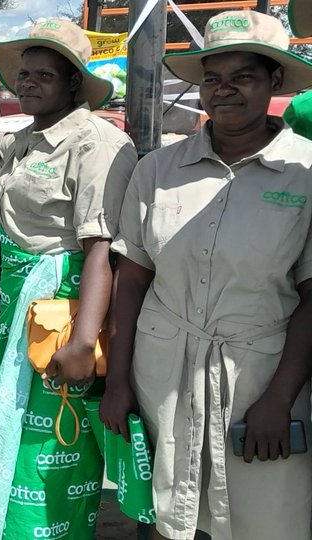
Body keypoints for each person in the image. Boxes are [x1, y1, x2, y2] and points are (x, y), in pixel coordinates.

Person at [105, 11, 312, 539]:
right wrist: (119, 380)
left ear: (274, 82)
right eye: (213, 79)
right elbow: (131, 278)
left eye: (242, 77)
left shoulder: (305, 173)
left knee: (265, 518)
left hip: (258, 381)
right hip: (161, 376)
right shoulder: (159, 169)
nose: (224, 91)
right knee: (166, 515)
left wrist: (279, 399)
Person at [0, 20, 135, 539]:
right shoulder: (25, 138)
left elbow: (102, 251)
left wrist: (83, 341)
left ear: (74, 80)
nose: (27, 83)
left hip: (64, 312)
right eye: (22, 74)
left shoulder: (97, 144)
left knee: (52, 451)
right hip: (19, 312)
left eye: (42, 75)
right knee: (11, 434)